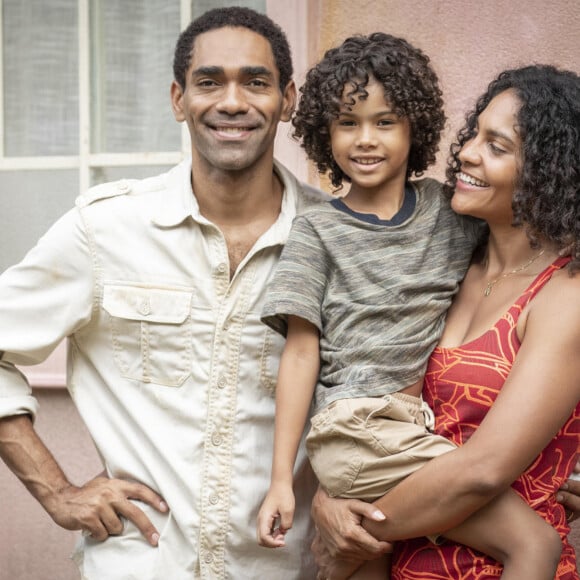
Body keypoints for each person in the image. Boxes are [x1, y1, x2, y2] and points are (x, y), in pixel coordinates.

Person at [0, 7, 323, 579]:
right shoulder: (106, 229)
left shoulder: (331, 239)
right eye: (208, 82)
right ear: (178, 99)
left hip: (285, 569)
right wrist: (57, 491)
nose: (231, 101)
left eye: (255, 82)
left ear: (288, 99)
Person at [256, 34, 563, 579]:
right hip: (372, 458)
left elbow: (488, 463)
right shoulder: (334, 234)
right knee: (524, 543)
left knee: (517, 546)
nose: (365, 139)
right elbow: (317, 358)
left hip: (427, 476)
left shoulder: (462, 226)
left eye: (385, 121)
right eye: (347, 123)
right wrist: (299, 484)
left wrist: (351, 531)